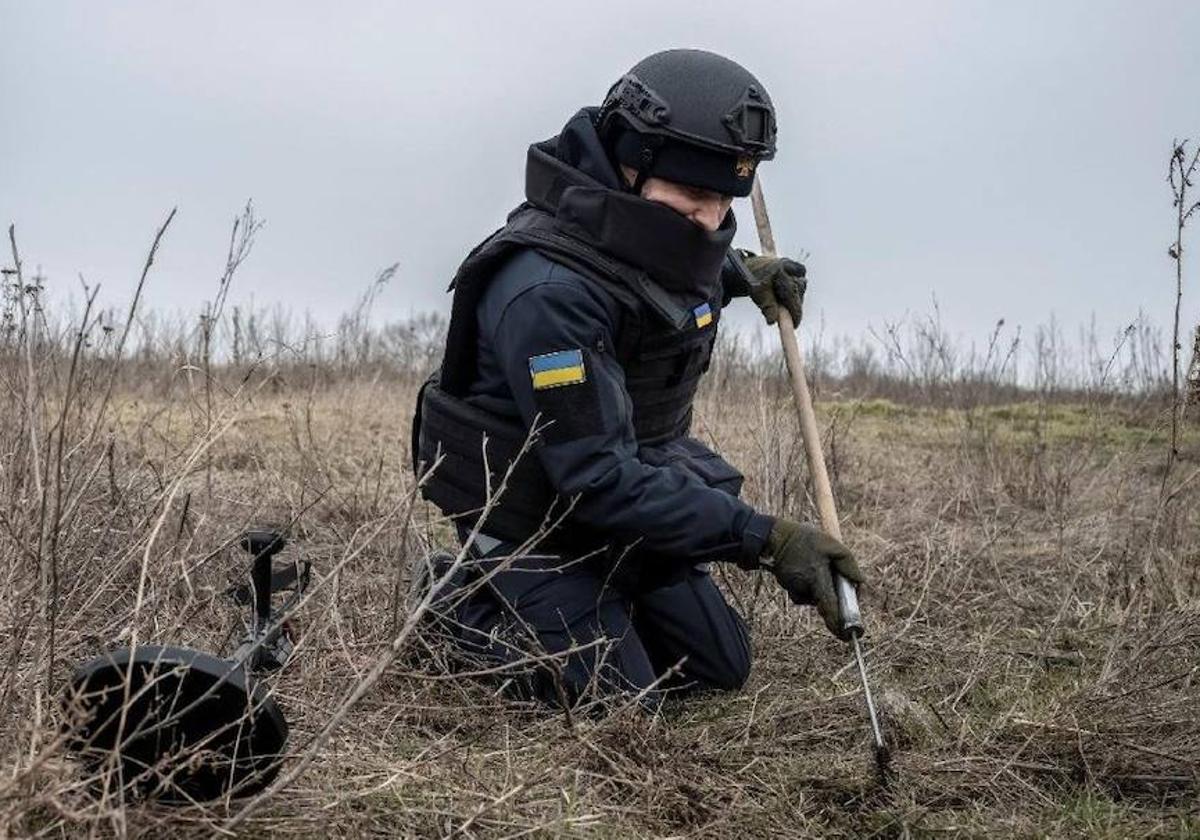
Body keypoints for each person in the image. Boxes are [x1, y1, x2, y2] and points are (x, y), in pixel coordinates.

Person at [412, 49, 864, 710]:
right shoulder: (547, 295)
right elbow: (597, 480)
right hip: (533, 518)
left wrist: (739, 272)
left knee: (718, 667)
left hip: (609, 504)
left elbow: (653, 271)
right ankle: (453, 612)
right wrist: (764, 539)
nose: (709, 220)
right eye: (695, 196)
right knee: (620, 701)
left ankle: (598, 601)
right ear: (632, 163)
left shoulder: (653, 230)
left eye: (724, 199)